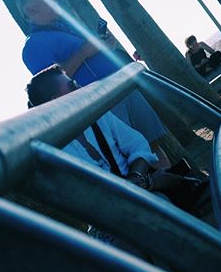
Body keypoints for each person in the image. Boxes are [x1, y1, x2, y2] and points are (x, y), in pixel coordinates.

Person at [18, 0, 169, 167]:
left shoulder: (64, 27)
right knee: (129, 155)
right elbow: (51, 86)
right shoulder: (33, 46)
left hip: (123, 88)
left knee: (153, 145)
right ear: (31, 10)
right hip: (103, 105)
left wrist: (104, 46)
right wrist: (84, 52)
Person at [26, 65, 200, 202]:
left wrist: (137, 179)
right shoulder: (53, 150)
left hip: (144, 194)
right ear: (56, 101)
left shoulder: (97, 116)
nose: (79, 86)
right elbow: (93, 200)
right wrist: (148, 183)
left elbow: (138, 145)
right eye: (72, 85)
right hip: (111, 224)